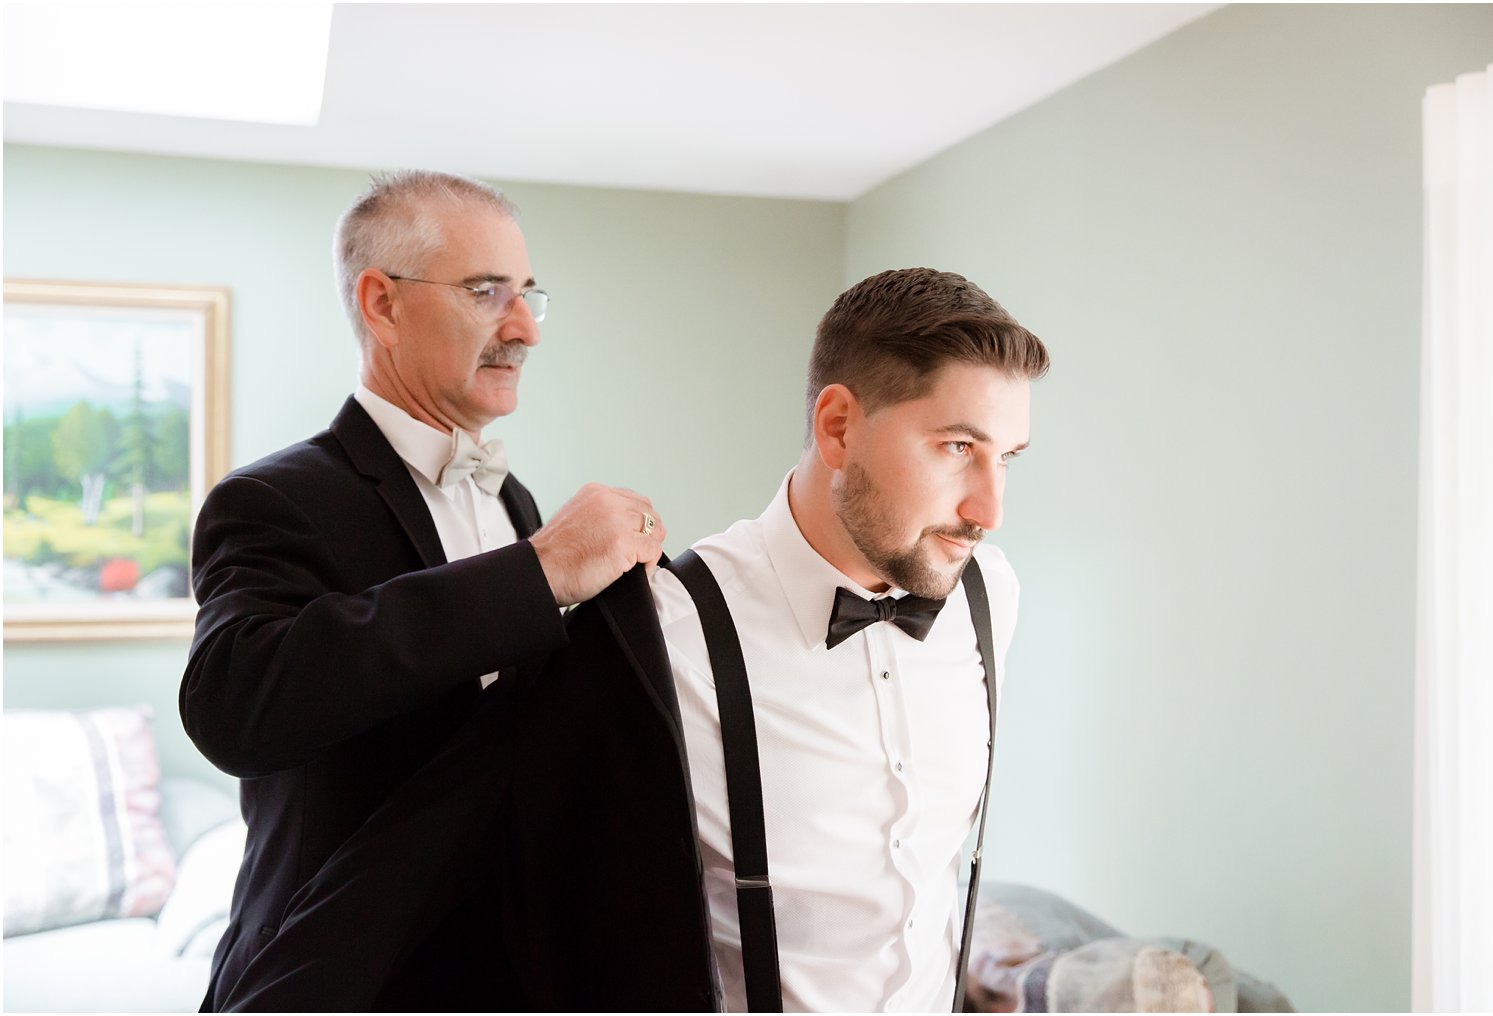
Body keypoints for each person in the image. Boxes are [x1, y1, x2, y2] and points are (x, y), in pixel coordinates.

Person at [215, 267, 1049, 1012]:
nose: (990, 508)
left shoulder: (989, 597)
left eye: (1007, 457)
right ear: (837, 427)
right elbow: (451, 861)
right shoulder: (662, 628)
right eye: (957, 449)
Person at [180, 170, 666, 1011]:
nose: (524, 329)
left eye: (528, 296)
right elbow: (236, 706)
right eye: (487, 293)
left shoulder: (511, 503)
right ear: (383, 304)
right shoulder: (271, 500)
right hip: (339, 977)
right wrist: (541, 572)